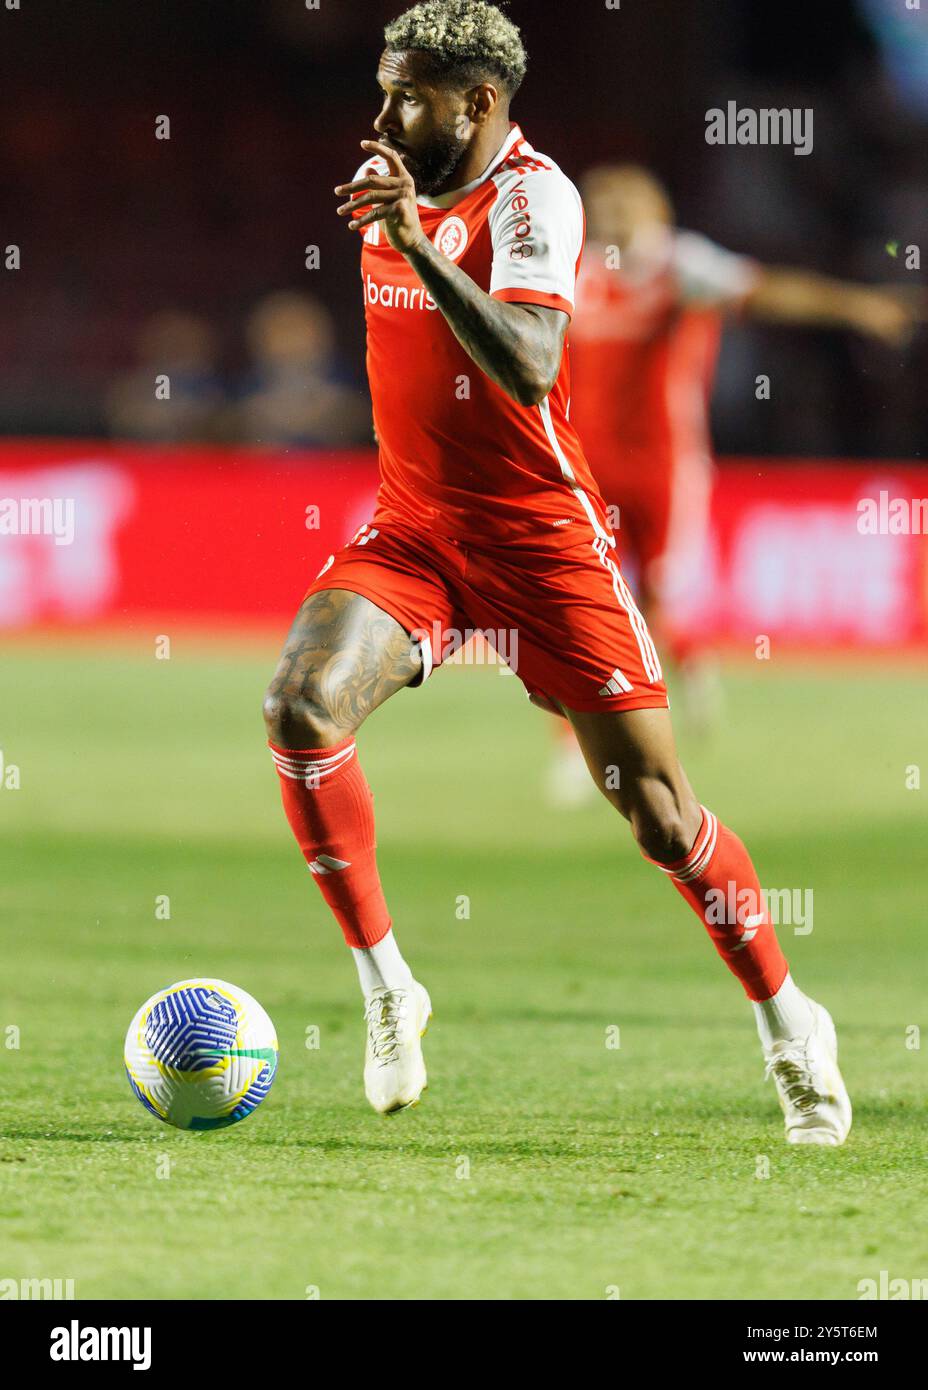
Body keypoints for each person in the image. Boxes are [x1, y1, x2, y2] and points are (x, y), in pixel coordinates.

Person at [263, 0, 851, 1145]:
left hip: (541, 541)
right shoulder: (388, 188)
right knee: (298, 705)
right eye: (384, 89)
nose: (382, 114)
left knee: (660, 815)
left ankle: (790, 1020)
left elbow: (529, 366)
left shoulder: (536, 196)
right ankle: (389, 985)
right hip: (417, 534)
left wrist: (422, 245)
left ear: (478, 103)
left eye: (409, 94)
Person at [546, 164, 918, 798]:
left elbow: (771, 291)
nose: (610, 214)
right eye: (600, 203)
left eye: (624, 204)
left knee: (658, 599)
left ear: (653, 213)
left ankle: (682, 669)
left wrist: (857, 306)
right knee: (584, 601)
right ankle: (581, 746)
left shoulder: (681, 265)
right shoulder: (570, 268)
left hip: (666, 465)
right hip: (586, 467)